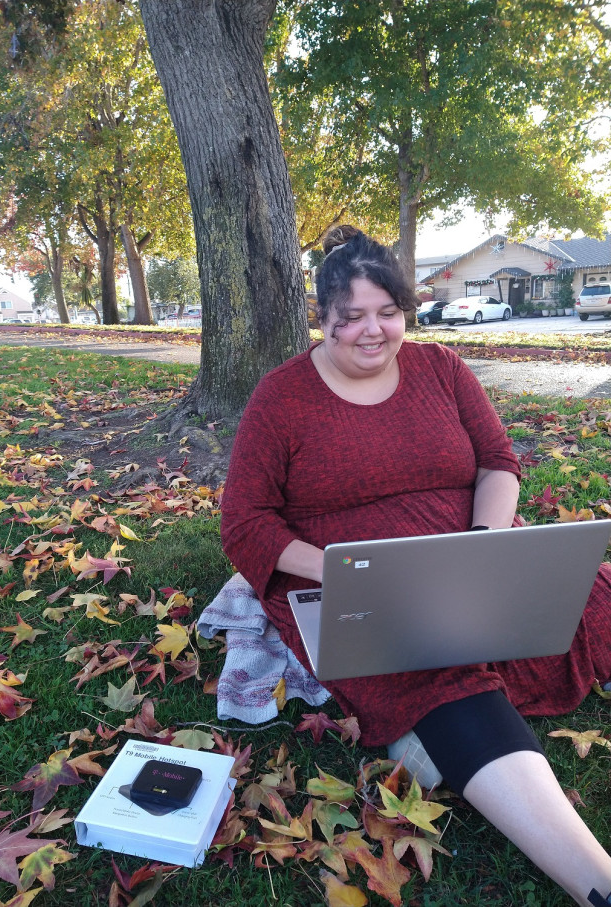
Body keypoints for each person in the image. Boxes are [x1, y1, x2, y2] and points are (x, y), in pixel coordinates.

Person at [220, 225, 611, 906]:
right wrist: (348, 571)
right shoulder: (281, 398)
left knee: (590, 595)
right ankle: (596, 881)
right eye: (352, 318)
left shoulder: (441, 369)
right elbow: (246, 523)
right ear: (323, 318)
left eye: (389, 313)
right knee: (439, 668)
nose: (373, 332)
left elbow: (497, 459)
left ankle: (458, 741)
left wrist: (484, 543)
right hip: (346, 582)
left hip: (469, 560)